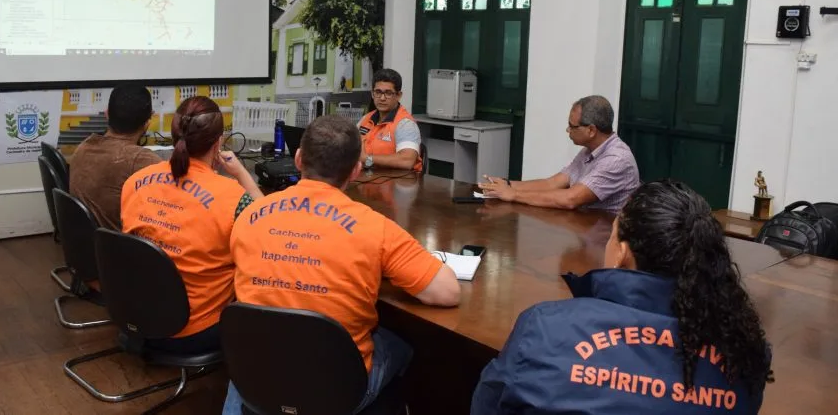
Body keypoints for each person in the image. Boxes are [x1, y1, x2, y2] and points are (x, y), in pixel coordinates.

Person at [471, 180, 773, 415]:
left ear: (622, 252)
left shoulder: (545, 328)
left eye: (612, 233)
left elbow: (489, 405)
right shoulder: (743, 349)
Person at [224, 115, 460, 414]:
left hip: (259, 378)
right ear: (356, 169)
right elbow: (447, 292)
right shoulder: (375, 228)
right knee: (401, 344)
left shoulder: (249, 217)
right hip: (337, 391)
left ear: (298, 159)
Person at [120, 96, 264, 354]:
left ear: (174, 136)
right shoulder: (232, 198)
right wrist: (242, 174)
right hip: (193, 332)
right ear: (218, 142)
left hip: (134, 318)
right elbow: (266, 226)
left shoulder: (135, 181)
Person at [480, 95, 639, 214]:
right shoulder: (589, 150)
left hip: (606, 238)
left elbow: (571, 199)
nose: (567, 130)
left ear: (591, 130)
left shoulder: (616, 159)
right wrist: (506, 184)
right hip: (586, 229)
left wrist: (513, 194)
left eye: (572, 126)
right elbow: (553, 183)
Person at [70, 84, 162, 230]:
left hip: (88, 244)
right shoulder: (144, 161)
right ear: (147, 123)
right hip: (123, 248)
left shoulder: (84, 147)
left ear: (107, 114)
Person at [358, 68, 422, 172]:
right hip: (368, 177)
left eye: (388, 93)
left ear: (398, 95)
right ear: (372, 94)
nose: (382, 98)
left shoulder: (405, 124)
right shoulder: (366, 119)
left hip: (401, 183)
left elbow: (407, 161)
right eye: (378, 92)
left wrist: (367, 159)